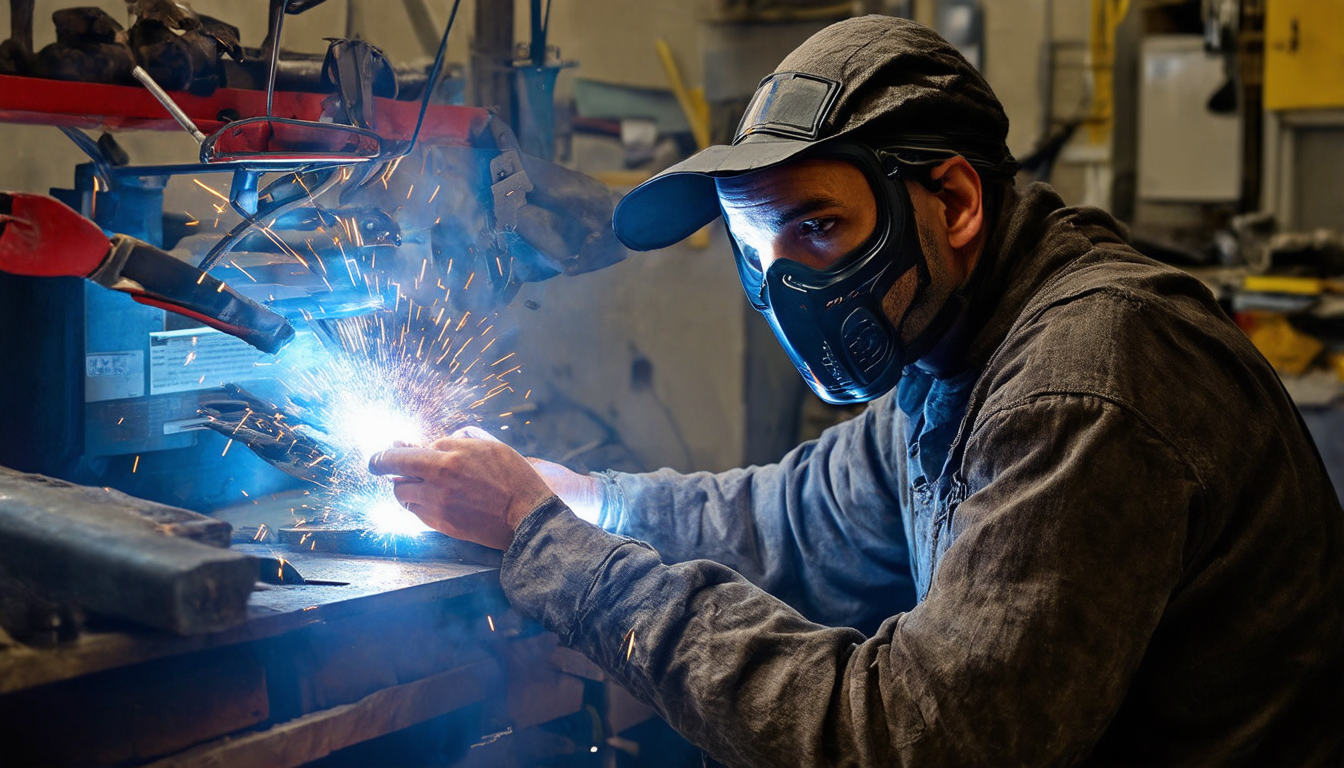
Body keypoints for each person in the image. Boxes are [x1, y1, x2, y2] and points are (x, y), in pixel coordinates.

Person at [369, 15, 1344, 767]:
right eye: (758, 254)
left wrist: (556, 552)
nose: (787, 286)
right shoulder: (957, 354)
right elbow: (789, 520)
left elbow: (920, 741)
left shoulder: (1081, 380)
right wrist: (575, 497)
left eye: (821, 231)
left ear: (955, 203)